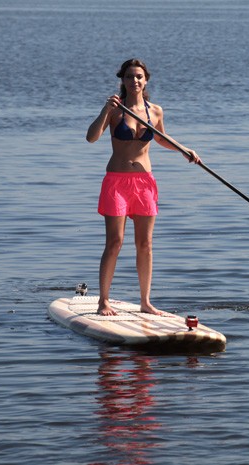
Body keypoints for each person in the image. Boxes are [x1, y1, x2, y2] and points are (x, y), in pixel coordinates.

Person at [86, 58, 200, 316]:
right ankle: (103, 301)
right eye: (129, 77)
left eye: (138, 76)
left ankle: (146, 302)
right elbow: (91, 137)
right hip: (117, 182)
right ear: (122, 80)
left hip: (144, 183)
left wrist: (185, 150)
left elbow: (161, 138)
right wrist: (105, 110)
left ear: (145, 80)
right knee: (114, 242)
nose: (134, 81)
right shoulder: (115, 110)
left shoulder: (155, 111)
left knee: (145, 244)